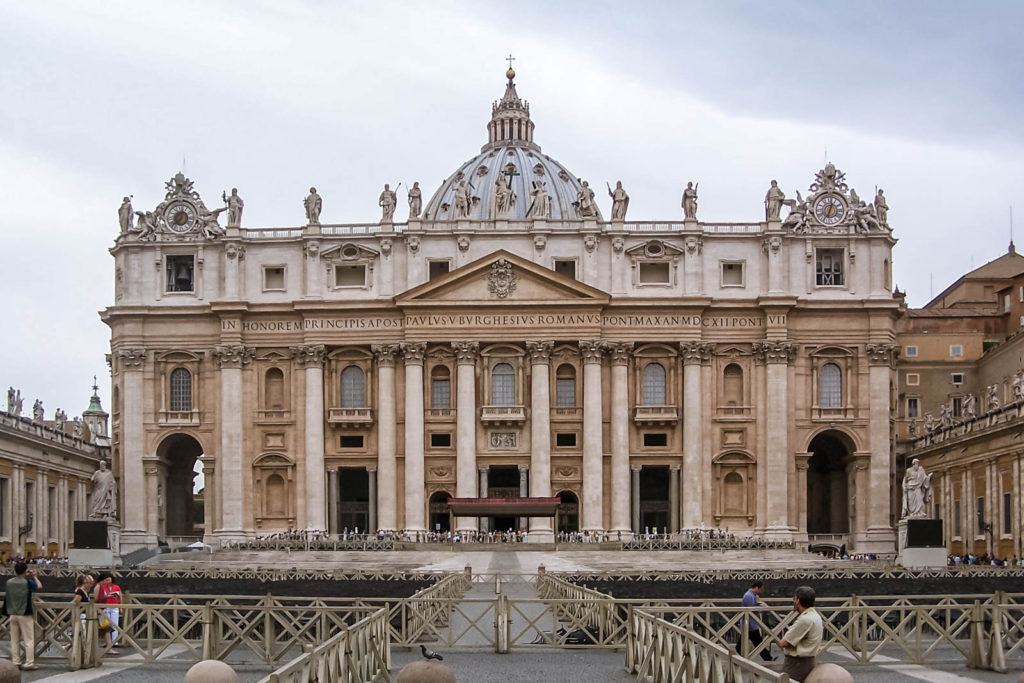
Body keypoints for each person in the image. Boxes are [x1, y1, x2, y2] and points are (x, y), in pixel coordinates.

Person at [777, 585, 823, 682]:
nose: (794, 601)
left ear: (798, 600)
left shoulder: (804, 620)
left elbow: (783, 643)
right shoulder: (816, 615)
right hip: (810, 661)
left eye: (794, 599)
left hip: (797, 665)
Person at [3, 562, 42, 670]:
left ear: (15, 571)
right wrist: (34, 577)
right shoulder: (27, 582)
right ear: (26, 571)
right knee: (28, 640)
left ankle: (16, 661)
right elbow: (39, 586)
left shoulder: (9, 582)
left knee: (14, 640)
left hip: (12, 613)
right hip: (24, 613)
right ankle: (29, 663)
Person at [740, 580, 774, 661]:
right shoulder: (749, 596)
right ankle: (768, 658)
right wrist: (761, 607)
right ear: (756, 588)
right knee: (758, 642)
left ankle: (738, 655)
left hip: (749, 623)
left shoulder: (750, 595)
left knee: (746, 641)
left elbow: (751, 607)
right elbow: (750, 609)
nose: (761, 592)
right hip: (750, 623)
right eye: (760, 589)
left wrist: (759, 605)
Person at [94, 572, 122, 647]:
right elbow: (97, 598)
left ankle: (114, 641)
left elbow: (120, 598)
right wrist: (107, 596)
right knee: (107, 625)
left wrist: (121, 607)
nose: (107, 582)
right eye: (106, 580)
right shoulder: (101, 587)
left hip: (114, 606)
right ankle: (108, 642)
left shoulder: (116, 587)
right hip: (105, 606)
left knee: (115, 624)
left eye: (108, 580)